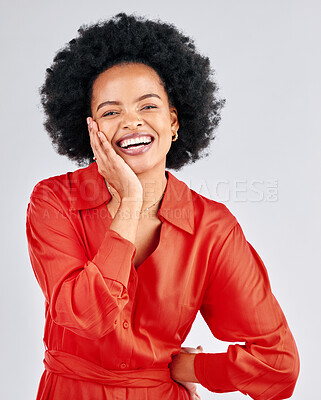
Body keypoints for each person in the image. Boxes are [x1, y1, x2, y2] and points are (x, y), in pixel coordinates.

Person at [26, 13, 299, 400]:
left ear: (173, 121)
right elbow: (86, 317)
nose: (131, 122)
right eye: (110, 112)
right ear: (90, 129)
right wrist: (131, 202)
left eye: (148, 107)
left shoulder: (212, 228)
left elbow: (279, 366)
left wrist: (194, 367)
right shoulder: (54, 201)